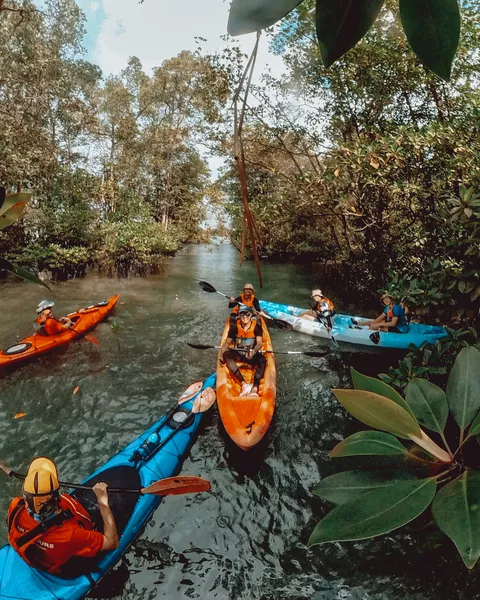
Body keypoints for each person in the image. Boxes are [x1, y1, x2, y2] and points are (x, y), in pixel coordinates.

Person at [7, 456, 119, 576]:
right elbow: (112, 543)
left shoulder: (15, 505)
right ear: (54, 497)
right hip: (63, 564)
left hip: (38, 556)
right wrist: (103, 502)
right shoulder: (70, 535)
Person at [220, 306, 267, 397]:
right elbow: (227, 343)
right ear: (239, 315)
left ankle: (254, 388)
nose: (245, 317)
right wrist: (220, 355)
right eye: (242, 314)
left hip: (251, 354)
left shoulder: (257, 327)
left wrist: (253, 351)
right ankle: (244, 384)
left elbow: (259, 343)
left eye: (247, 314)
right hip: (239, 353)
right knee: (226, 354)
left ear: (251, 315)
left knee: (263, 360)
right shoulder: (234, 327)